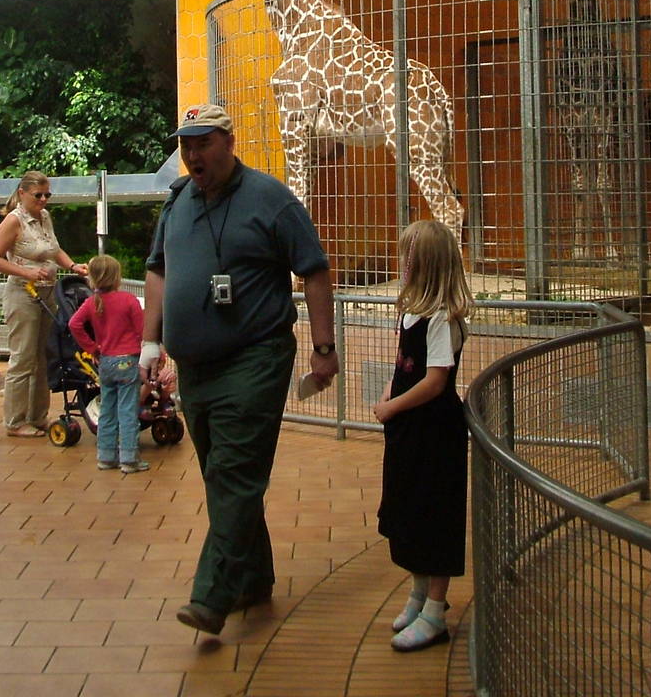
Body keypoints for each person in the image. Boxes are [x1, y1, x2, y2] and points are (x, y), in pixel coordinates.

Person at [141, 102, 338, 636]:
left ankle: (212, 595)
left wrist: (324, 347)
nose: (193, 154)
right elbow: (156, 271)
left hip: (256, 357)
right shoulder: (179, 201)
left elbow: (315, 270)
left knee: (233, 473)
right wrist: (148, 344)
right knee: (222, 476)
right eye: (186, 144)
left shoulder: (270, 198)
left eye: (203, 142)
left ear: (229, 141)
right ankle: (253, 577)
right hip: (195, 367)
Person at [372, 219, 472, 652]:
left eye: (406, 256)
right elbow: (403, 368)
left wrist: (392, 406)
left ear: (423, 264)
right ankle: (417, 593)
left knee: (434, 513)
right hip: (408, 430)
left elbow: (435, 381)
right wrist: (388, 395)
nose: (401, 263)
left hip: (434, 432)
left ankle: (435, 608)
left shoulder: (440, 320)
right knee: (407, 509)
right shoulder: (411, 311)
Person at [0, 170, 88, 437]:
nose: (43, 200)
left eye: (47, 195)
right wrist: (27, 273)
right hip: (24, 294)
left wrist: (72, 265)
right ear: (22, 194)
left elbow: (54, 250)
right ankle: (15, 420)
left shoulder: (44, 217)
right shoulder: (13, 221)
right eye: (38, 195)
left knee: (44, 355)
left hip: (47, 294)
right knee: (23, 358)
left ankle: (37, 414)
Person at [67, 254, 148, 473]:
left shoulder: (91, 302)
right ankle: (129, 458)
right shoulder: (129, 300)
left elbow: (74, 324)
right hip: (128, 360)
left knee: (107, 410)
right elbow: (142, 330)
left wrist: (91, 347)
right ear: (117, 277)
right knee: (128, 410)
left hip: (105, 362)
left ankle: (106, 456)